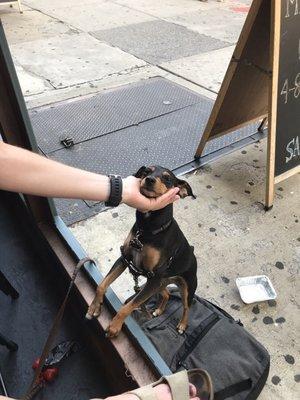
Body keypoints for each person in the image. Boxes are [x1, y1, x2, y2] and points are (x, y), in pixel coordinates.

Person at [0, 142, 200, 400]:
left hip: (180, 268)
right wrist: (100, 291)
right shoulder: (139, 231)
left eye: (163, 179)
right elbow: (124, 261)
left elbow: (156, 281)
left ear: (178, 192)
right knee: (146, 278)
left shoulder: (164, 238)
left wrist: (121, 314)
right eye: (148, 174)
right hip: (152, 258)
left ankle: (184, 316)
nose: (151, 179)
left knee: (183, 295)